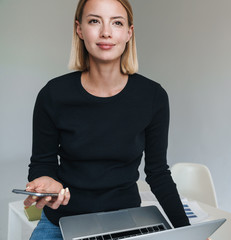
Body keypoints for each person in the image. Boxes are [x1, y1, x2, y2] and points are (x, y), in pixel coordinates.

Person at [24, 0, 190, 239]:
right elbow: (41, 163)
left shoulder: (153, 97)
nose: (106, 32)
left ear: (129, 33)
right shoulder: (53, 95)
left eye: (117, 22)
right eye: (94, 21)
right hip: (63, 222)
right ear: (79, 29)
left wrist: (187, 231)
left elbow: (158, 173)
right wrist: (46, 182)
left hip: (125, 222)